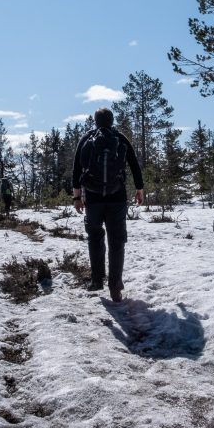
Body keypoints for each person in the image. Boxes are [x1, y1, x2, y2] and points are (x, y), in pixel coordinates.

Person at [72, 107, 143, 303]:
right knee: (117, 242)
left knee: (95, 238)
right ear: (112, 121)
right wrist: (140, 188)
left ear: (95, 121)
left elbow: (77, 168)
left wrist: (77, 197)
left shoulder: (87, 138)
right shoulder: (120, 138)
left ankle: (97, 280)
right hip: (117, 197)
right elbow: (134, 163)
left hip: (93, 198)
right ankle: (115, 286)